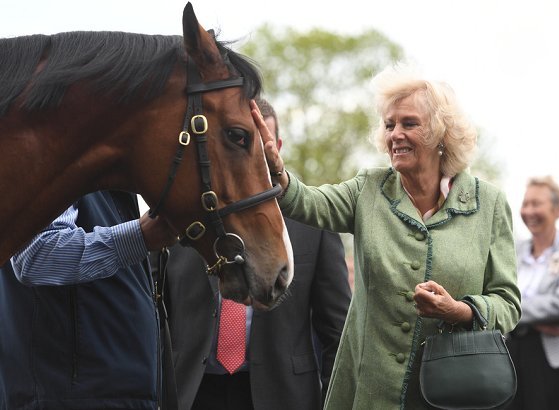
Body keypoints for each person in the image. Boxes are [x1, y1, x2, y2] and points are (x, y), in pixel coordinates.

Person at [251, 64, 521, 409]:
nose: (395, 134)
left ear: (442, 133)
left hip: (453, 394)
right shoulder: (369, 188)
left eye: (409, 123)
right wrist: (276, 170)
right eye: (389, 124)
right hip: (370, 395)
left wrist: (459, 310)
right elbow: (307, 203)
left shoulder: (489, 204)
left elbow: (508, 303)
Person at [161, 97, 352, 410]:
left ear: (278, 146)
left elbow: (336, 332)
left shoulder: (312, 222)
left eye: (262, 145)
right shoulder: (186, 213)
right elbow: (155, 317)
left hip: (284, 395)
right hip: (192, 392)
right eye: (239, 143)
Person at [0, 190, 178, 410]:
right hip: (74, 394)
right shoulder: (63, 168)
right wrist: (139, 237)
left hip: (108, 392)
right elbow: (35, 254)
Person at [507, 176, 559, 410]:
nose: (528, 211)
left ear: (558, 209)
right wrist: (535, 321)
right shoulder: (512, 250)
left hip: (558, 360)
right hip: (511, 353)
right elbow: (494, 294)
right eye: (525, 204)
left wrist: (509, 312)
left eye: (536, 204)